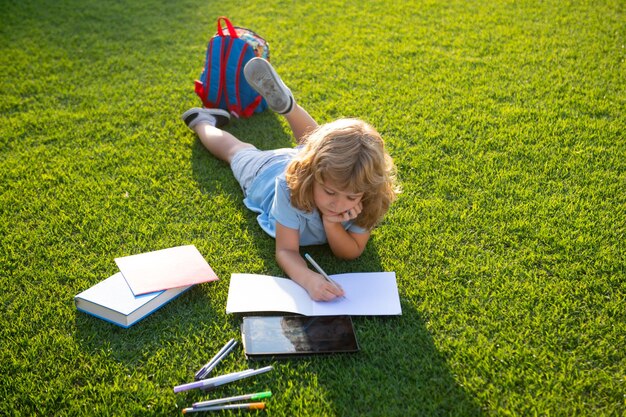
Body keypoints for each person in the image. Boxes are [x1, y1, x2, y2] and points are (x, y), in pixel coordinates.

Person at [182, 58, 399, 301]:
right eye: (329, 193)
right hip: (265, 173)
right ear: (313, 176)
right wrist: (307, 279)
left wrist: (332, 223)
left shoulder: (370, 193)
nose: (337, 205)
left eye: (350, 197)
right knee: (234, 151)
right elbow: (286, 250)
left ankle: (289, 106)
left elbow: (352, 251)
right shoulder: (289, 188)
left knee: (316, 147)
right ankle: (201, 121)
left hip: (312, 165)